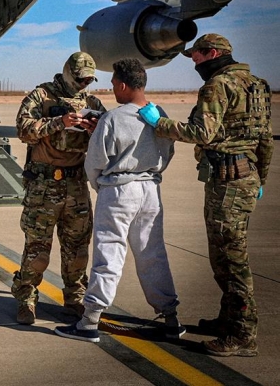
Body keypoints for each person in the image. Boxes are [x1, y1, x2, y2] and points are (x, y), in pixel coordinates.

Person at [139, 34, 273, 357]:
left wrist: (161, 123)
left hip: (227, 184)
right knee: (226, 255)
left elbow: (201, 133)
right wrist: (261, 179)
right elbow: (265, 139)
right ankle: (229, 319)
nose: (195, 64)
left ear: (211, 53)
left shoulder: (217, 86)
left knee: (230, 259)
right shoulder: (258, 85)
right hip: (246, 178)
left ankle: (242, 334)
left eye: (196, 57)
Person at [54, 58, 185, 343]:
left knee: (109, 256)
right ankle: (170, 318)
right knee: (153, 254)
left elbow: (95, 162)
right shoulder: (158, 114)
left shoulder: (112, 118)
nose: (113, 89)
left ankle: (89, 321)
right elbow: (168, 152)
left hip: (119, 190)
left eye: (114, 84)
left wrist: (102, 186)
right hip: (150, 189)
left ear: (123, 85)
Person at [12, 51, 106, 324]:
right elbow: (23, 129)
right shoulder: (41, 96)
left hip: (76, 184)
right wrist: (59, 122)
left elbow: (107, 139)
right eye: (79, 79)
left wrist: (94, 129)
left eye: (88, 80)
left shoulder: (92, 102)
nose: (83, 84)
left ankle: (75, 300)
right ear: (67, 72)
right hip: (43, 184)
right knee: (37, 249)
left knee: (77, 248)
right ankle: (27, 299)